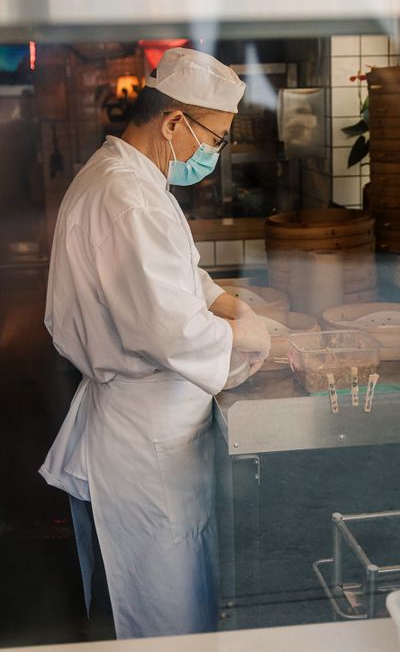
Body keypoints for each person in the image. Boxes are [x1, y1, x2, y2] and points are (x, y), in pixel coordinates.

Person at [39, 48, 271, 640]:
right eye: (213, 139)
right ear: (173, 124)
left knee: (181, 587)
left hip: (157, 428)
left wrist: (233, 305)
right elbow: (170, 328)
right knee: (164, 608)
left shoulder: (133, 179)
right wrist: (246, 339)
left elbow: (178, 278)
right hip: (146, 437)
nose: (213, 155)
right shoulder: (128, 197)